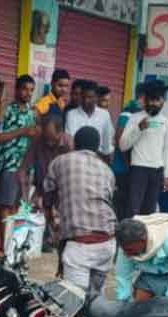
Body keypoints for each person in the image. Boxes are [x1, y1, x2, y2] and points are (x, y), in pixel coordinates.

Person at [46, 127, 116, 293]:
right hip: (108, 242)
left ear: (74, 144)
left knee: (74, 299)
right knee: (95, 299)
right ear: (97, 147)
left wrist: (53, 222)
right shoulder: (107, 170)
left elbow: (48, 193)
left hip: (80, 244)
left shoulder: (60, 161)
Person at [112, 215, 168, 301]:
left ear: (142, 240)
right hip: (155, 269)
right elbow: (123, 278)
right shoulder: (126, 246)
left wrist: (167, 301)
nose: (126, 254)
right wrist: (123, 302)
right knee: (140, 299)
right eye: (124, 250)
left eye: (129, 250)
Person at [19, 113, 73, 247]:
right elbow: (24, 168)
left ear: (60, 132)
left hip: (63, 188)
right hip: (42, 184)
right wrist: (25, 193)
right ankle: (46, 239)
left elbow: (73, 174)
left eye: (52, 138)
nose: (49, 142)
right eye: (46, 137)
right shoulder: (38, 141)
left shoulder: (69, 144)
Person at [118, 80, 168, 217]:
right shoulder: (135, 118)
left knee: (150, 212)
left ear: (162, 101)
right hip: (138, 170)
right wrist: (138, 129)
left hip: (156, 171)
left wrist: (167, 175)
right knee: (133, 209)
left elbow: (166, 149)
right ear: (145, 100)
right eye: (151, 100)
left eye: (157, 100)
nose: (154, 104)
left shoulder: (164, 121)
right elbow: (123, 146)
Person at [0, 74, 37, 221]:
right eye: (25, 89)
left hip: (25, 167)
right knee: (6, 205)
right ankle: (6, 236)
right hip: (9, 164)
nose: (28, 93)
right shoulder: (7, 110)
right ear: (17, 90)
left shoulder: (31, 113)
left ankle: (11, 235)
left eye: (31, 90)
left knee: (18, 206)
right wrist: (23, 130)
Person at [112, 83, 146, 218]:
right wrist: (130, 165)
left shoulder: (141, 114)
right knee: (123, 206)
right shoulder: (127, 114)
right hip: (124, 170)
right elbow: (119, 141)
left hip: (133, 169)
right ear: (142, 97)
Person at [64, 79, 114, 161]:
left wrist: (106, 159)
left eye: (90, 97)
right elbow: (70, 141)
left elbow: (107, 143)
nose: (86, 100)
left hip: (98, 158)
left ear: (96, 98)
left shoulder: (105, 115)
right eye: (83, 97)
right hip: (77, 158)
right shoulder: (71, 114)